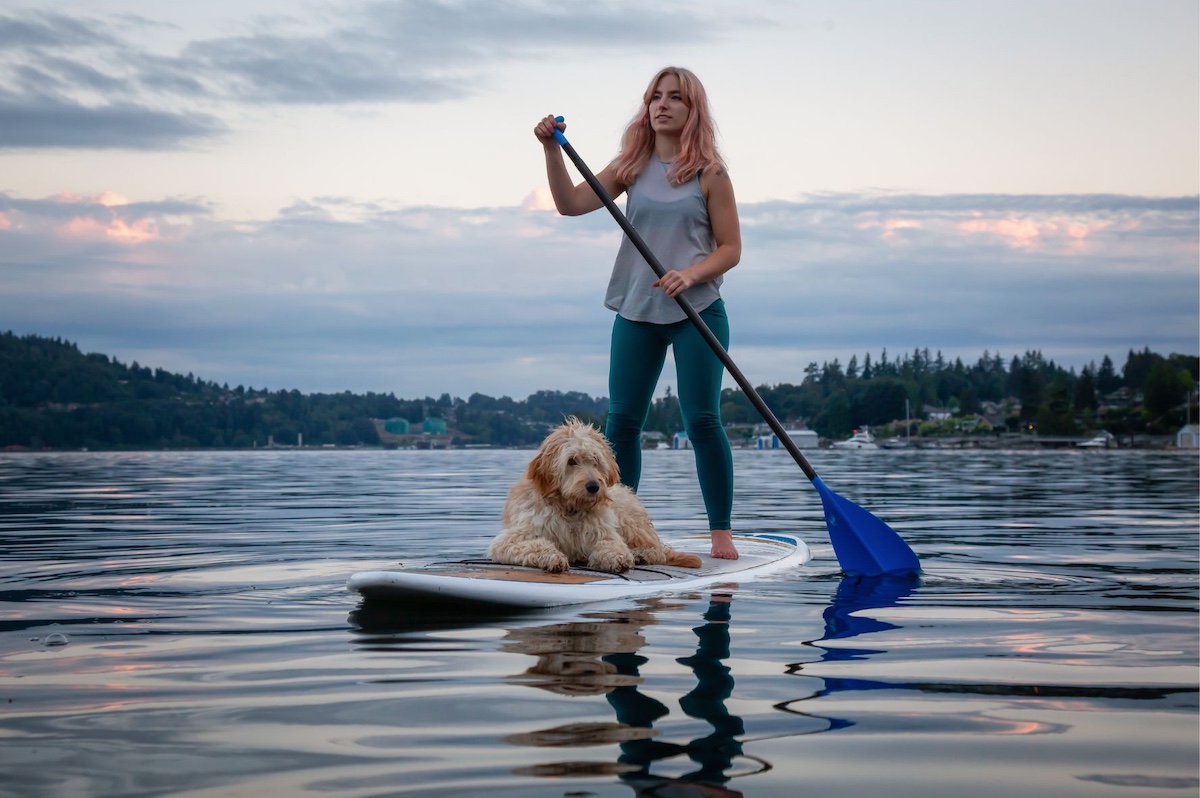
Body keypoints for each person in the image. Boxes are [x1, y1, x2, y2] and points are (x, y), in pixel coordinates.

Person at [534, 66, 741, 559]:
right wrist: (550, 150)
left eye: (675, 98)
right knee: (621, 423)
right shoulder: (630, 166)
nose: (662, 105)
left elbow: (731, 248)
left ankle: (721, 534)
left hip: (698, 311)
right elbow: (569, 204)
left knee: (702, 422)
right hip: (637, 308)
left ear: (694, 111)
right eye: (655, 97)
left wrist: (689, 274)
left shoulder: (710, 174)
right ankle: (620, 527)